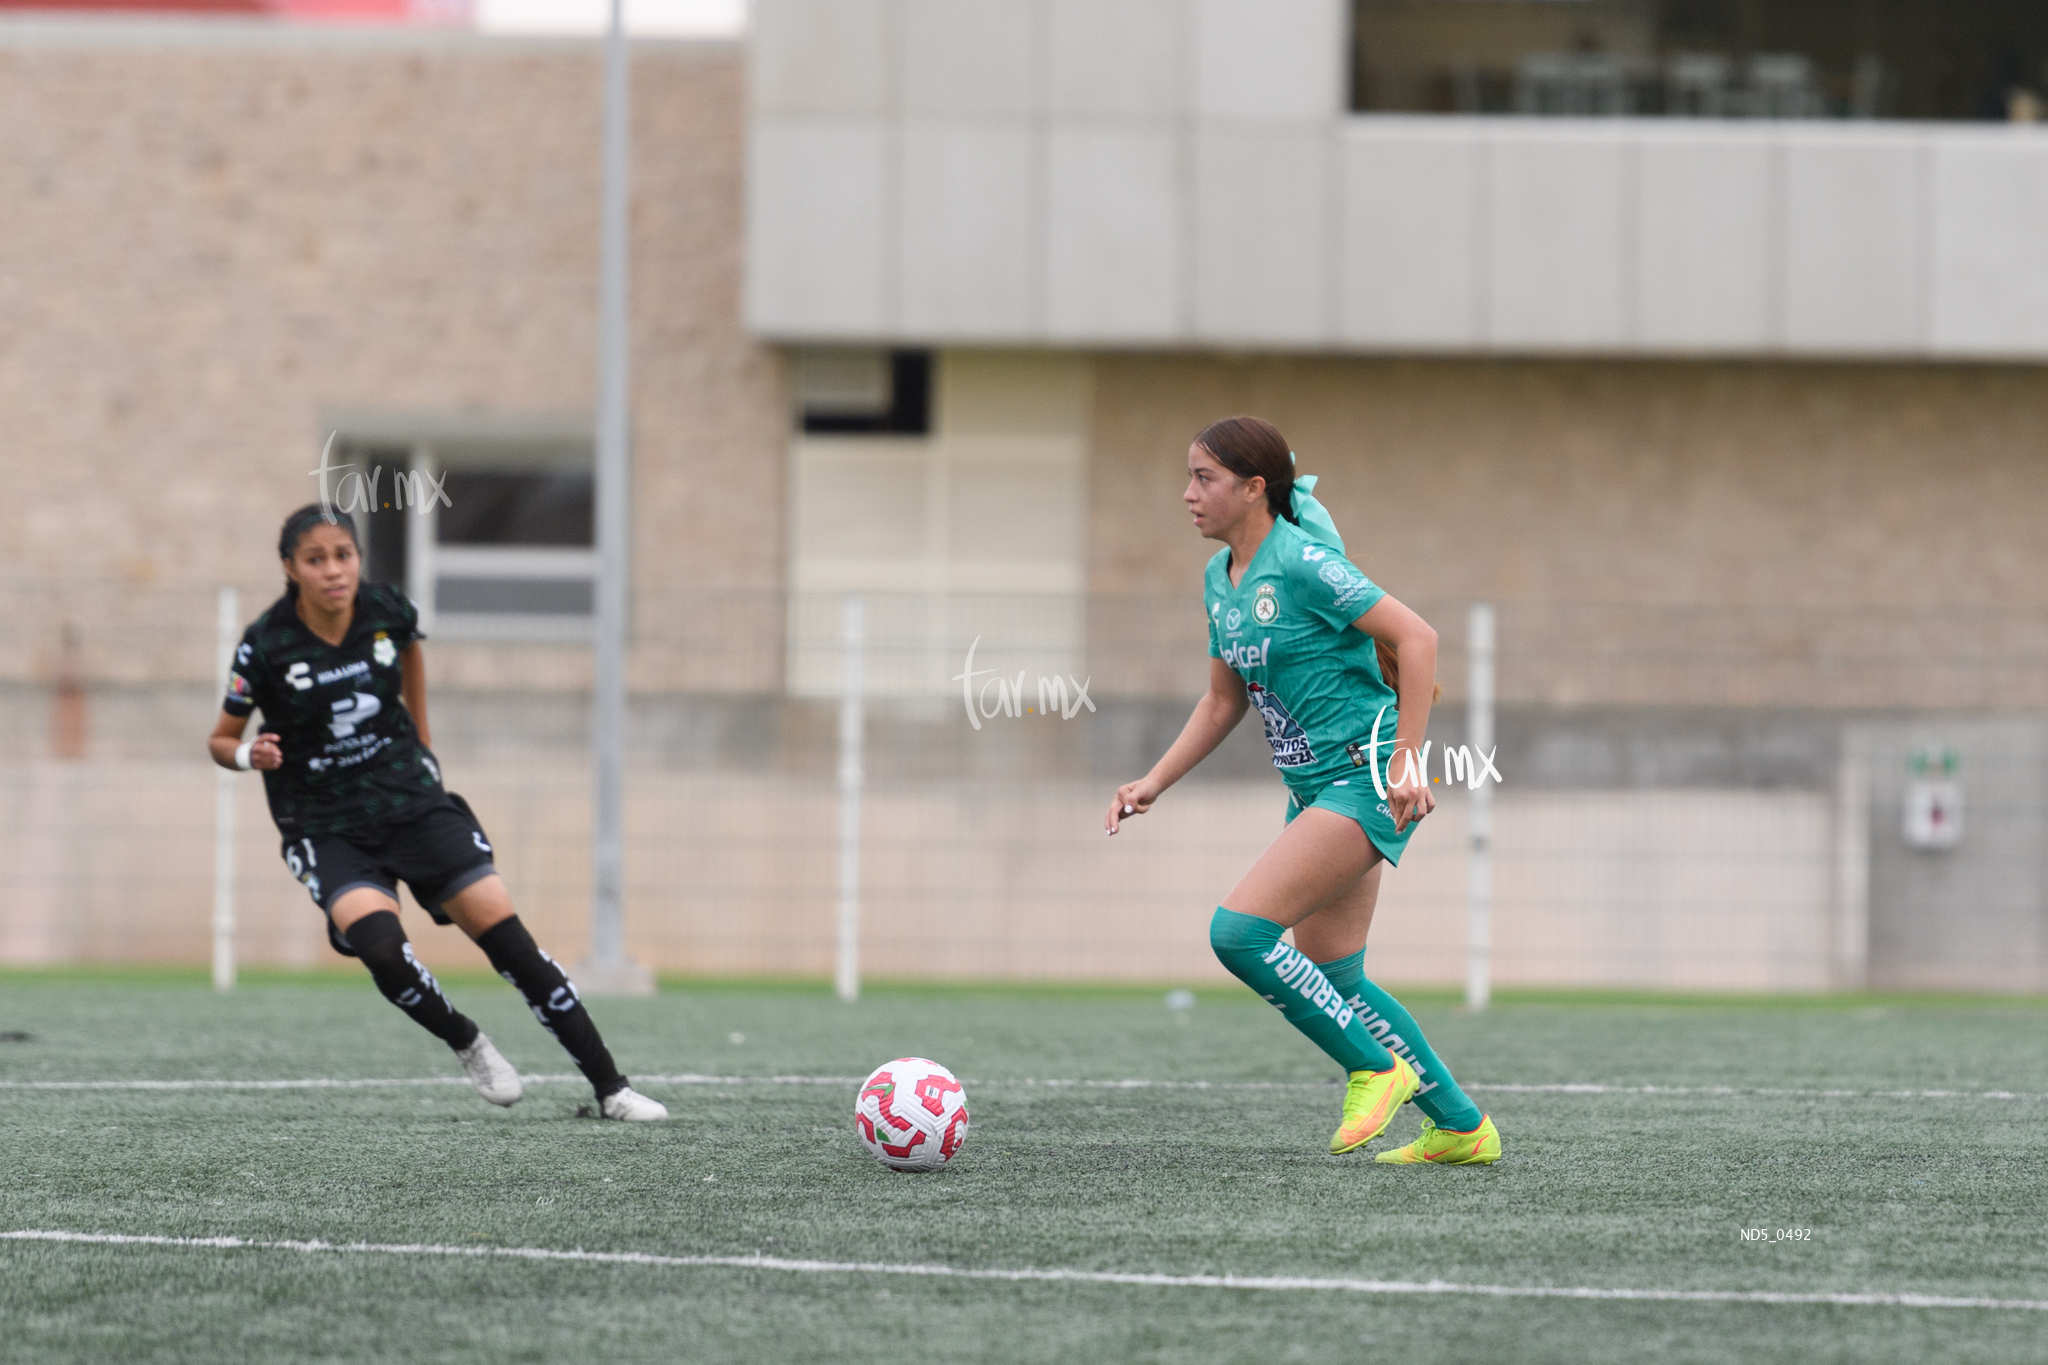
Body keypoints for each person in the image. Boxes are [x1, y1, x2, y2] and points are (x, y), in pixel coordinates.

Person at [1106, 417, 1500, 1164]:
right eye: (1189, 476)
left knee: (1238, 933)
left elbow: (1417, 639)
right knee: (1332, 972)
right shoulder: (1218, 582)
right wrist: (1153, 782)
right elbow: (1222, 701)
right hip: (1315, 788)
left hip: (1365, 778)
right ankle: (1460, 1126)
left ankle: (1374, 1069)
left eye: (1204, 478)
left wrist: (1409, 763)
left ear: (1255, 489)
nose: (1187, 493)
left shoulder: (1304, 563)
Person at [208, 504, 667, 1121]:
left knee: (508, 937)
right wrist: (247, 753)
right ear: (290, 568)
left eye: (343, 555)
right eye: (315, 560)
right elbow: (219, 740)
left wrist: (422, 739)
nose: (333, 571)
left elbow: (410, 655)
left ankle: (612, 1089)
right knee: (381, 948)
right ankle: (466, 1039)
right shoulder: (264, 645)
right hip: (325, 822)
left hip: (412, 801)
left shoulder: (387, 611)